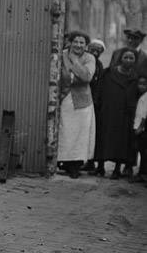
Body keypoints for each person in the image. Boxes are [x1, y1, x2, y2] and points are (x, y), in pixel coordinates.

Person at [56, 31, 96, 178]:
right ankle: (63, 162)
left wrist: (74, 60)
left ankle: (75, 166)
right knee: (65, 131)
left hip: (82, 101)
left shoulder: (89, 58)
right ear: (70, 42)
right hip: (64, 98)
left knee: (80, 134)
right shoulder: (61, 54)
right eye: (76, 42)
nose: (78, 45)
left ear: (86, 46)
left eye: (82, 43)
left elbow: (86, 76)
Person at [94, 47, 139, 179]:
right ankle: (100, 166)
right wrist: (99, 104)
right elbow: (99, 90)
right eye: (126, 57)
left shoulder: (135, 78)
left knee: (122, 140)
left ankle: (117, 169)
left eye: (132, 58)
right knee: (103, 137)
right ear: (120, 58)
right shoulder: (109, 73)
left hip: (125, 114)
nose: (128, 60)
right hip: (108, 111)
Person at [83, 39, 105, 174]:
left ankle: (94, 163)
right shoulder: (85, 61)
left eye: (98, 51)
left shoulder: (100, 65)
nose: (95, 52)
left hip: (95, 104)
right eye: (92, 49)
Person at [131, 75, 147, 184]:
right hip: (138, 127)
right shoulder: (140, 96)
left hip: (142, 129)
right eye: (140, 84)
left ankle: (143, 174)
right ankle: (141, 173)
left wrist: (141, 127)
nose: (141, 86)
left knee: (144, 152)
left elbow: (144, 114)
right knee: (141, 151)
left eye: (144, 84)